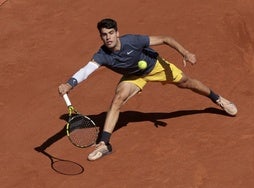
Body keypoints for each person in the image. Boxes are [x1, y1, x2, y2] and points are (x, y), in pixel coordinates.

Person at [58, 18, 237, 161]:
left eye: (111, 33)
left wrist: (186, 53)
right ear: (101, 37)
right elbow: (86, 71)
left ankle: (217, 99)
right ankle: (104, 144)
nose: (108, 37)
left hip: (155, 67)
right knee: (117, 99)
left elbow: (166, 39)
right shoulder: (102, 55)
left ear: (117, 33)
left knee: (186, 82)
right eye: (104, 35)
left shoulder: (133, 41)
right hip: (134, 76)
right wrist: (70, 83)